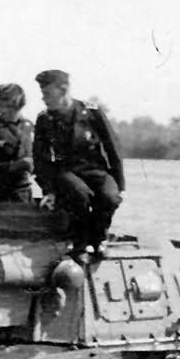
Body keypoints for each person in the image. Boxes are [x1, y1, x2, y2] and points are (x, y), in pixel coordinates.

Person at [32, 69, 124, 263]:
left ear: (63, 89)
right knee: (80, 195)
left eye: (47, 93)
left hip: (95, 169)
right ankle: (80, 243)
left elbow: (112, 147)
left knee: (110, 197)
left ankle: (99, 239)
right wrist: (48, 190)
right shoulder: (45, 119)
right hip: (66, 172)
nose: (43, 98)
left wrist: (119, 182)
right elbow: (40, 159)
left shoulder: (91, 112)